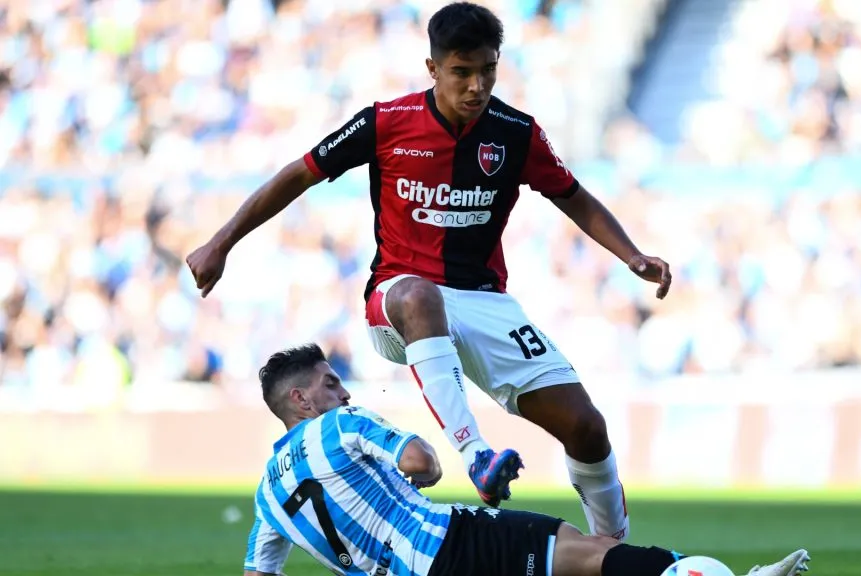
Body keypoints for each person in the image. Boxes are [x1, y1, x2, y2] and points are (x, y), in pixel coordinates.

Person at [188, 1, 673, 540]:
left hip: (484, 299)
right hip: (397, 299)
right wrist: (221, 242)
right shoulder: (386, 122)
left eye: (487, 70)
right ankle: (476, 455)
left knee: (586, 427)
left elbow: (572, 196)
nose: (476, 86)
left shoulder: (516, 133)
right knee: (419, 295)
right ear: (433, 69)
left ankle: (613, 553)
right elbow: (298, 175)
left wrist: (631, 254)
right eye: (461, 72)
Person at [241, 343, 812, 576]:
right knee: (594, 556)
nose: (342, 392)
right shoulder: (342, 424)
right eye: (330, 382)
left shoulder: (267, 497)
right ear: (301, 399)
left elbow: (258, 574)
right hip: (448, 544)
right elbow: (423, 464)